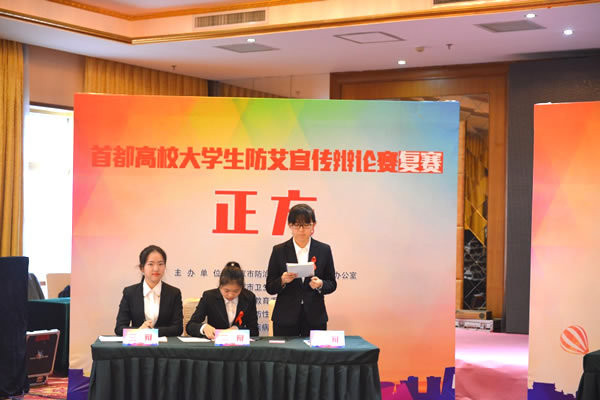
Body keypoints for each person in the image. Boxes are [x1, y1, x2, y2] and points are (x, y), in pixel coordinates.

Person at [266, 204, 336, 336]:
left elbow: (332, 283)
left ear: (313, 225)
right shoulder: (279, 250)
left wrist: (320, 284)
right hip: (285, 317)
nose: (301, 230)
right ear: (290, 225)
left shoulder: (323, 250)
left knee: (314, 350)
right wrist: (282, 280)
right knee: (285, 350)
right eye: (297, 225)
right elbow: (269, 287)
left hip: (315, 317)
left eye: (306, 225)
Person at [114, 245, 183, 337]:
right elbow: (119, 328)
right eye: (151, 264)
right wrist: (139, 330)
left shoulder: (174, 293)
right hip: (138, 344)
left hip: (165, 345)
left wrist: (152, 332)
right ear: (142, 268)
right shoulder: (130, 293)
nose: (156, 268)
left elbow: (178, 328)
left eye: (160, 264)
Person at [186, 262, 259, 338]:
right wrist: (203, 327)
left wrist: (237, 329)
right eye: (226, 291)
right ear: (220, 286)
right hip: (214, 342)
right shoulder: (209, 297)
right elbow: (190, 326)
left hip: (238, 343)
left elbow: (254, 331)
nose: (230, 295)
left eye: (236, 291)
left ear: (242, 288)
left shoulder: (249, 298)